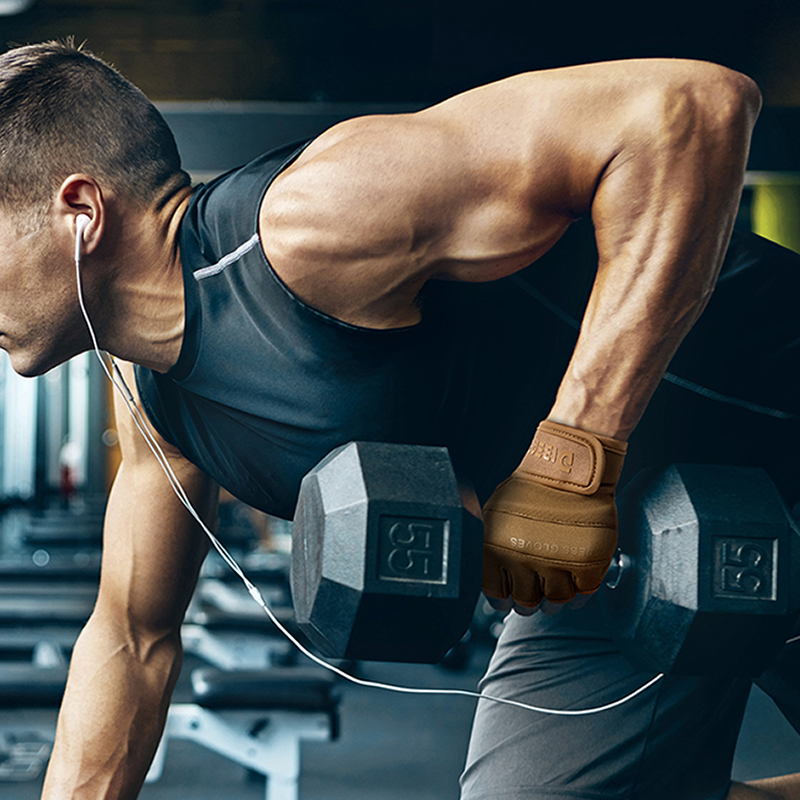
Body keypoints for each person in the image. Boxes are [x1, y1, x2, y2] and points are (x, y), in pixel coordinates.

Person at [0, 39, 795, 799]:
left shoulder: (314, 221)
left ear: (81, 212)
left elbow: (696, 108)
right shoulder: (158, 404)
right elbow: (132, 641)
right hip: (628, 556)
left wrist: (574, 455)